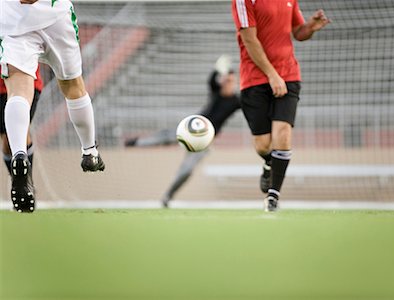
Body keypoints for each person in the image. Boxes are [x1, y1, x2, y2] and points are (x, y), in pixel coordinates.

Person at [0, 0, 105, 213]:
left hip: (12, 17)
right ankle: (89, 151)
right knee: (73, 85)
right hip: (55, 14)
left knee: (19, 89)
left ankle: (19, 155)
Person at [231, 0, 330, 212]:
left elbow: (298, 33)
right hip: (255, 79)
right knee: (263, 145)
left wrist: (310, 27)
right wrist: (272, 75)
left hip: (289, 74)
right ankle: (269, 164)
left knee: (283, 135)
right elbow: (249, 39)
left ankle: (273, 197)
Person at [125, 55, 241, 208]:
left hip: (204, 141)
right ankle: (137, 142)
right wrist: (219, 69)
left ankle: (168, 196)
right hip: (191, 128)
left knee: (186, 170)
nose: (229, 83)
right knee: (166, 136)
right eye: (227, 80)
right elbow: (212, 80)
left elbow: (251, 105)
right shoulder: (216, 92)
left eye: (232, 81)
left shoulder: (236, 101)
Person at [1, 66, 42, 177]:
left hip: (26, 83)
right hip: (1, 88)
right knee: (6, 140)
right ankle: (18, 181)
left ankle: (26, 183)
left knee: (18, 133)